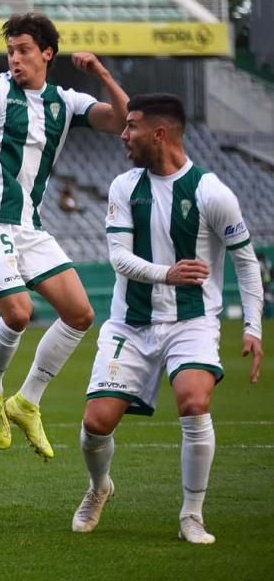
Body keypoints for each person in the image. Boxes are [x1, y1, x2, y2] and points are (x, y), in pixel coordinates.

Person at [71, 93, 264, 544]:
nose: (123, 134)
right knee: (96, 423)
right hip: (130, 322)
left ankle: (191, 515)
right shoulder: (124, 187)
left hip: (191, 321)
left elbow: (246, 260)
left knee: (195, 403)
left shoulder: (212, 192)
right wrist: (168, 274)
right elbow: (118, 257)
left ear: (159, 133)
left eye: (132, 126)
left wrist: (252, 326)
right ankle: (100, 486)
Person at [0, 12, 129, 460]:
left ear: (47, 53)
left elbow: (122, 122)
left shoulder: (64, 102)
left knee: (80, 313)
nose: (15, 59)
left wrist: (103, 74)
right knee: (18, 313)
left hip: (27, 226)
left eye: (24, 50)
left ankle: (27, 401)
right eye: (11, 51)